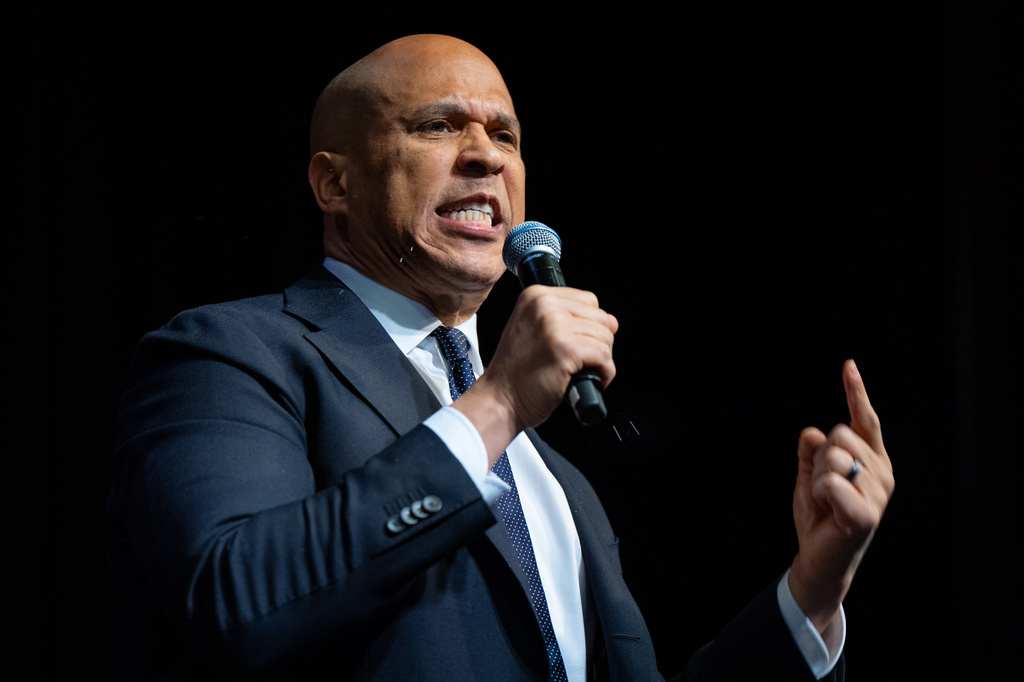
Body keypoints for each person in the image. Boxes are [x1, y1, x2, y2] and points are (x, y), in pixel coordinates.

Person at [105, 34, 894, 681]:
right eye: (440, 126)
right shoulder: (230, 353)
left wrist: (812, 597)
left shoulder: (560, 484)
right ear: (333, 183)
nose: (487, 157)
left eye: (505, 135)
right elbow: (236, 597)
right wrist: (502, 403)